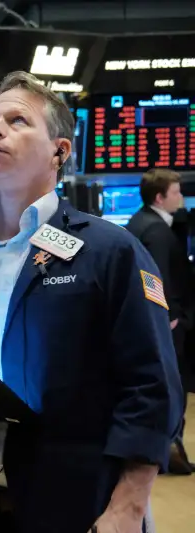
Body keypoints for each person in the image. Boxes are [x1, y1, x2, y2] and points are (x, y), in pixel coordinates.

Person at [0, 71, 183, 533]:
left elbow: (153, 385)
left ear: (60, 151)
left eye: (17, 120)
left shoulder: (110, 251)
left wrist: (130, 506)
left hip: (79, 503)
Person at [126, 168, 194, 474]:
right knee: (170, 385)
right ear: (160, 197)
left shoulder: (140, 222)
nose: (181, 197)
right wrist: (167, 317)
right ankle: (164, 452)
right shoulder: (156, 231)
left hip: (148, 321)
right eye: (177, 192)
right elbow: (157, 276)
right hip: (165, 323)